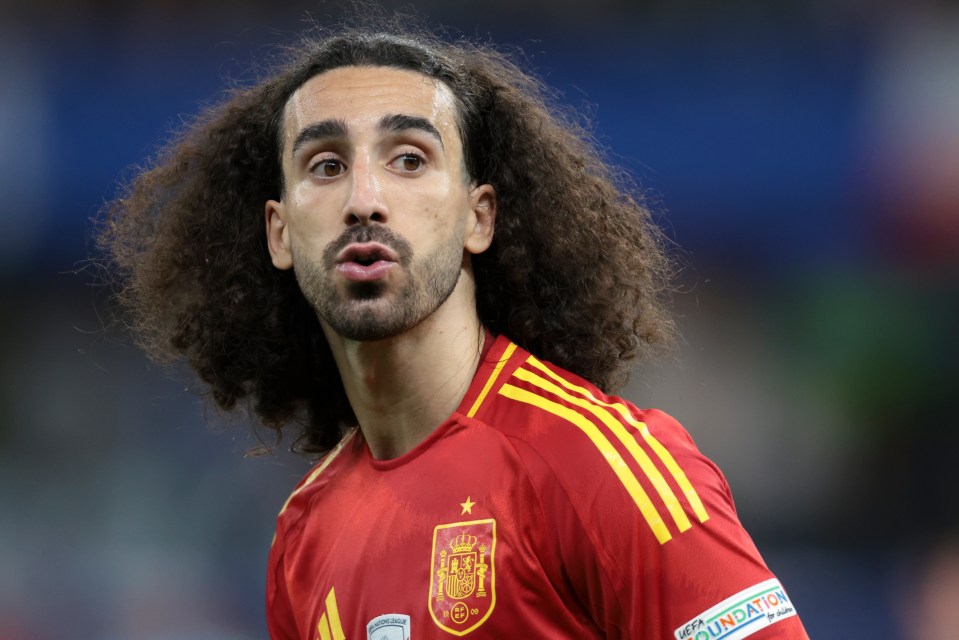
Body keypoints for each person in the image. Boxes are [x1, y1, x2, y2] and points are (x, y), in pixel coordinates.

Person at [100, 16, 810, 640]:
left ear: (480, 217)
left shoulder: (600, 466)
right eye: (325, 165)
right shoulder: (303, 539)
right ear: (279, 234)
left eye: (409, 159)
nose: (364, 199)